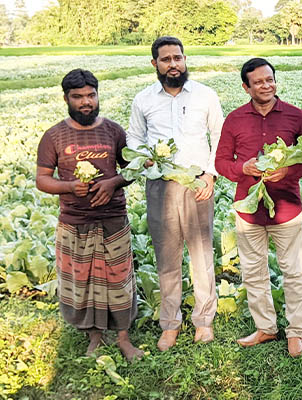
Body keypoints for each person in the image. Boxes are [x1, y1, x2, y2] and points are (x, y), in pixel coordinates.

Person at [36, 69, 143, 362]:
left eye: (91, 95)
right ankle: (95, 336)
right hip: (75, 220)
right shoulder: (54, 136)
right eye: (78, 97)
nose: (86, 102)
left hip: (113, 218)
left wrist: (114, 182)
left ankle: (123, 337)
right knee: (83, 280)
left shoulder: (113, 131)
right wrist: (70, 186)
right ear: (67, 98)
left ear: (97, 95)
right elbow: (42, 180)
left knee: (118, 279)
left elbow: (132, 169)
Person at [126, 36, 223, 351]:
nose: (173, 64)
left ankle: (204, 321)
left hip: (198, 184)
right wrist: (145, 157)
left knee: (201, 254)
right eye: (166, 59)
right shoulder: (144, 99)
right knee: (167, 257)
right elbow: (135, 138)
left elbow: (219, 135)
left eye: (178, 58)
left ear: (185, 59)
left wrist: (210, 174)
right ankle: (170, 324)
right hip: (161, 185)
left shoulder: (205, 95)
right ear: (154, 64)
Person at [215, 58, 302, 358]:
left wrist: (288, 172)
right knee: (253, 271)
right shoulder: (234, 119)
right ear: (246, 87)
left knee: (294, 271)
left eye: (270, 79)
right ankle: (266, 327)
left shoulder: (295, 116)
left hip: (286, 208)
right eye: (258, 82)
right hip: (249, 209)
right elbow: (221, 161)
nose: (266, 85)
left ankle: (296, 331)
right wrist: (242, 168)